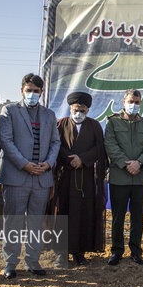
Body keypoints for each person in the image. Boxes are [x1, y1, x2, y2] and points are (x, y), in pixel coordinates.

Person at [0, 73, 60, 279]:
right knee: (13, 221)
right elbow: (6, 141)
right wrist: (25, 164)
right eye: (29, 90)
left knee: (35, 221)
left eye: (36, 91)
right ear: (21, 90)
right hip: (17, 176)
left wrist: (48, 163)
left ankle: (32, 260)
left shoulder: (49, 115)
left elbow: (55, 143)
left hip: (41, 178)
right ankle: (10, 263)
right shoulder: (10, 111)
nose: (32, 94)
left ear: (41, 92)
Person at [51, 92, 107, 267]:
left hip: (86, 180)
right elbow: (55, 147)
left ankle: (79, 252)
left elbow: (100, 150)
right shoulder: (60, 124)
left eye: (83, 110)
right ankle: (61, 253)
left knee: (83, 214)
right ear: (70, 108)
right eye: (76, 110)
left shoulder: (95, 126)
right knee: (63, 213)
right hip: (64, 179)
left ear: (88, 110)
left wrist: (82, 159)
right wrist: (70, 159)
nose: (79, 113)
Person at [104, 89, 143, 266]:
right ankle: (116, 251)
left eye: (137, 102)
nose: (133, 105)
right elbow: (110, 145)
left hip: (140, 178)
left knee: (138, 218)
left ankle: (136, 251)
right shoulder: (113, 122)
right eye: (131, 101)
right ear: (124, 101)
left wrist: (139, 163)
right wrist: (126, 164)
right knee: (118, 217)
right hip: (119, 177)